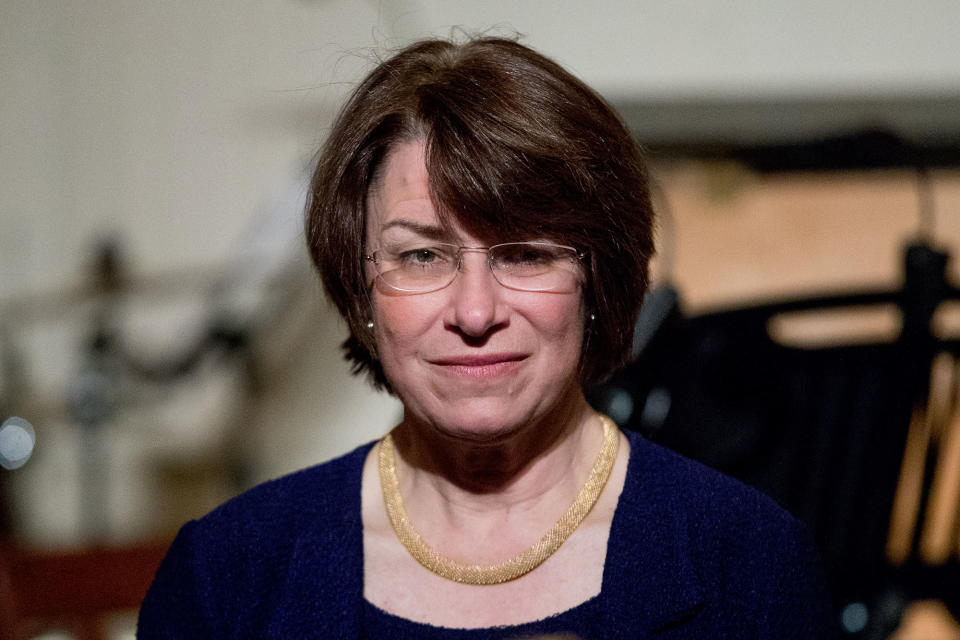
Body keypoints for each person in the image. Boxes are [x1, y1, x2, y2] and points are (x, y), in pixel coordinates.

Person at [138, 36, 834, 638]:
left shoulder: (750, 563)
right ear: (361, 287)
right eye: (421, 256)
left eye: (525, 253)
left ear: (598, 280)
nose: (475, 312)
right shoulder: (226, 573)